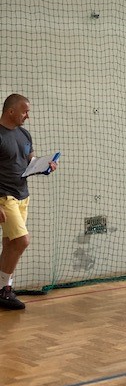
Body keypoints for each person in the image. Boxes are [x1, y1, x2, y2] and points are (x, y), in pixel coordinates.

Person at [0, 94, 57, 310]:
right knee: (22, 241)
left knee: (10, 244)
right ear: (11, 111)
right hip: (4, 197)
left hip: (23, 196)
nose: (28, 116)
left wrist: (45, 166)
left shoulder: (24, 134)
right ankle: (4, 290)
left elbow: (30, 160)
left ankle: (3, 289)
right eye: (25, 112)